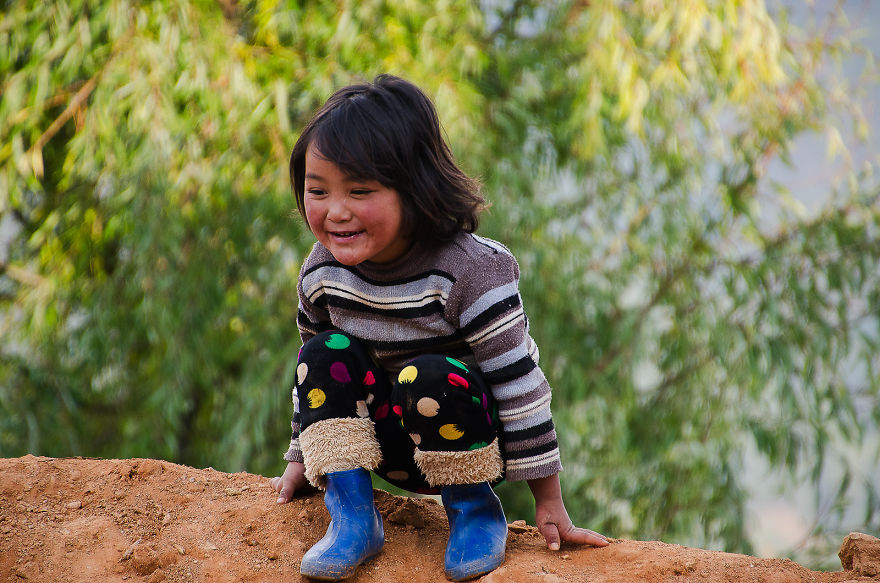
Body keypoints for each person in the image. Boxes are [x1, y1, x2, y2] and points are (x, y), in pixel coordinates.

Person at [270, 74, 608, 581]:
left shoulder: (471, 272)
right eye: (317, 190)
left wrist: (550, 500)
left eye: (360, 191)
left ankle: (474, 513)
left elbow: (520, 387)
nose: (335, 212)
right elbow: (316, 380)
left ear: (416, 187)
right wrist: (303, 453)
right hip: (380, 446)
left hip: (461, 440)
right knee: (321, 353)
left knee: (425, 374)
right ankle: (353, 518)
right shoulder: (322, 272)